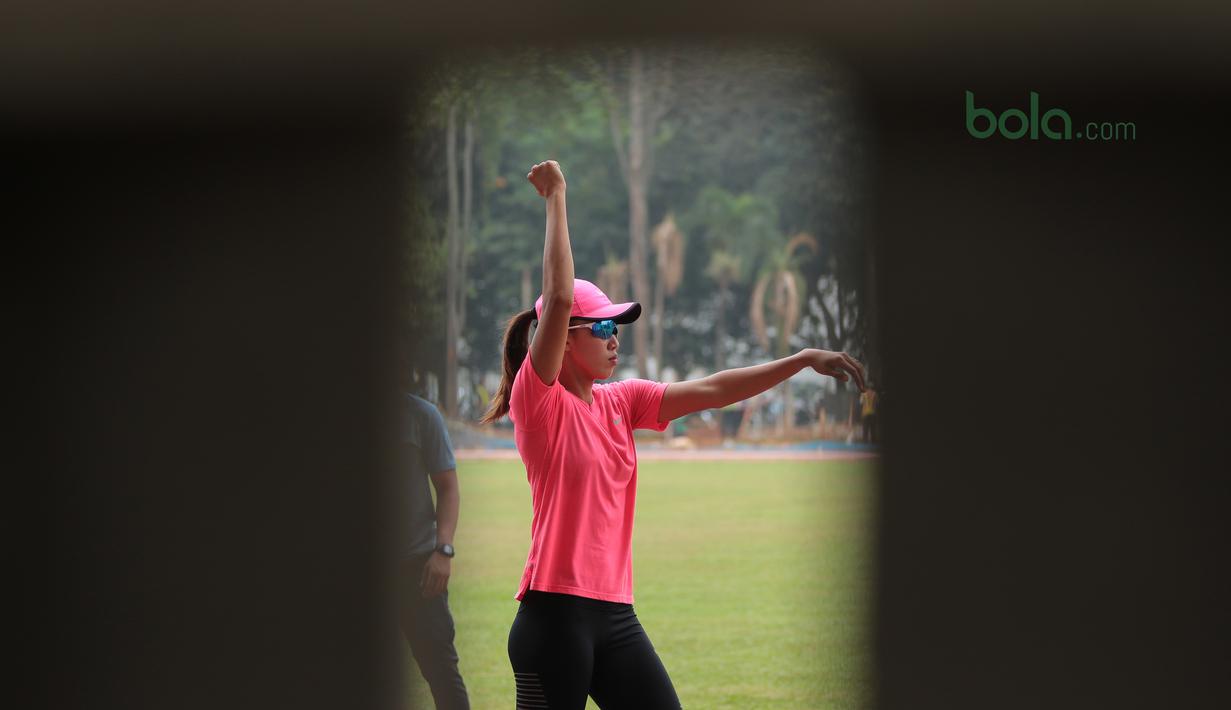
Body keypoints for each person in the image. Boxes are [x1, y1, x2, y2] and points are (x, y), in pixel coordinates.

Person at [480, 160, 865, 710]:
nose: (616, 339)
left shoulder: (621, 402)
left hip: (615, 616)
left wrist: (801, 360)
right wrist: (557, 197)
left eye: (620, 327)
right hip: (553, 619)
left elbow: (712, 389)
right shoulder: (539, 403)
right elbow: (560, 299)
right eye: (606, 327)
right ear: (562, 340)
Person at [398, 390, 471, 710]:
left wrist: (443, 550)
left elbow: (448, 487)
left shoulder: (419, 415)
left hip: (418, 568)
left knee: (442, 671)